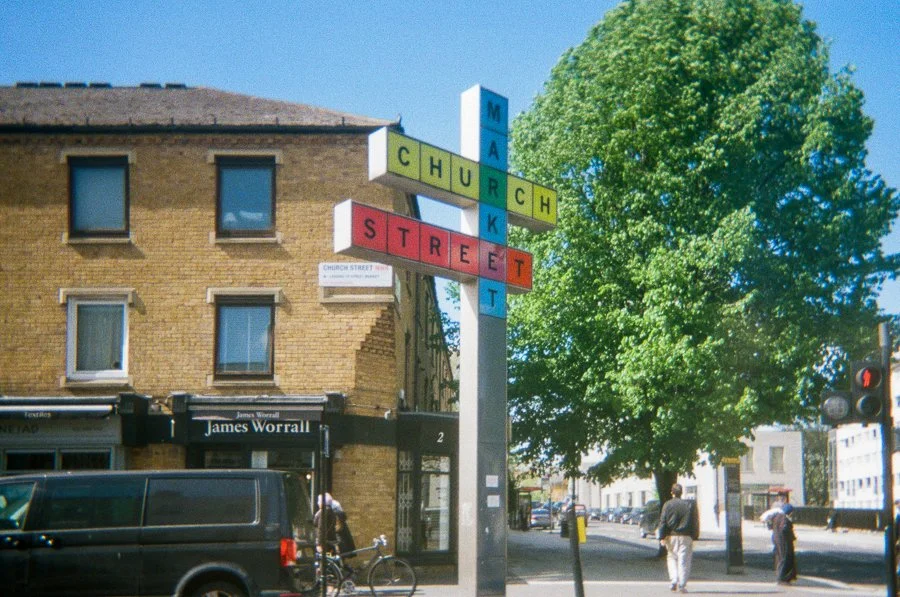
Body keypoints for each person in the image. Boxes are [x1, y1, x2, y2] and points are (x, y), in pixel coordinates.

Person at [658, 483, 699, 593]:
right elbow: (695, 521)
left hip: (671, 535)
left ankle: (673, 580)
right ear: (681, 493)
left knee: (671, 557)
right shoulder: (689, 505)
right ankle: (682, 584)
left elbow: (663, 521)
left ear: (672, 493)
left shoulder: (667, 505)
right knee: (684, 560)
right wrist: (694, 536)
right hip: (686, 536)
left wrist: (661, 536)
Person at [772, 503, 798, 585]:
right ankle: (782, 578)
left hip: (778, 541)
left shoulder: (777, 517)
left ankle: (781, 577)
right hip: (784, 542)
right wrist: (790, 536)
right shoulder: (784, 518)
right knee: (784, 559)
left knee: (780, 559)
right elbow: (784, 529)